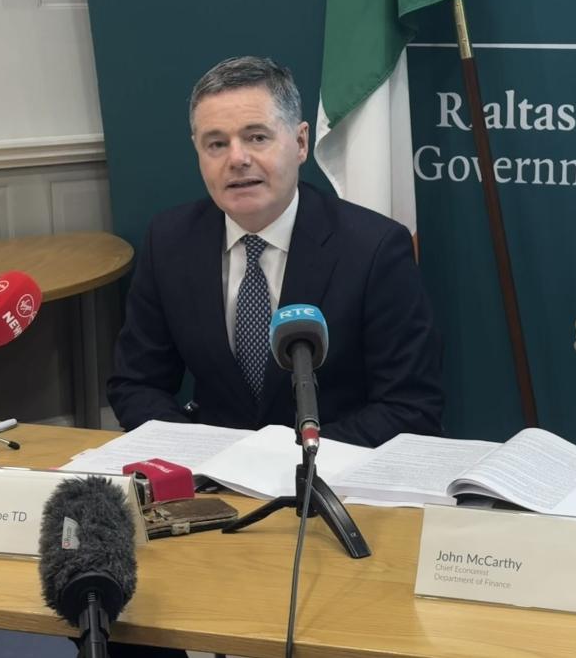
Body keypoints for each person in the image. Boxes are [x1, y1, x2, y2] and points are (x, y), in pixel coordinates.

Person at [108, 55, 444, 447]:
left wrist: (288, 460)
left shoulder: (374, 248)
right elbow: (137, 384)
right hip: (211, 472)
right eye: (216, 144)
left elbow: (410, 407)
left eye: (257, 137)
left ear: (300, 143)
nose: (237, 159)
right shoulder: (170, 241)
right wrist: (199, 454)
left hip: (333, 470)